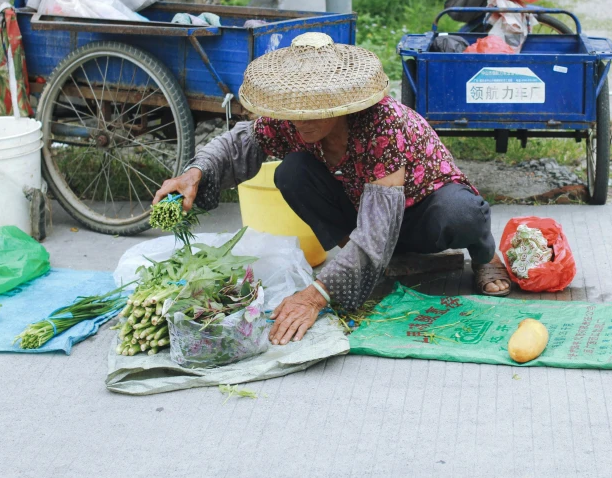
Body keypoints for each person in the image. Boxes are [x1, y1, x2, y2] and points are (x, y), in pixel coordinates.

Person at [153, 32, 511, 347]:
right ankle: (356, 268)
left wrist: (316, 296)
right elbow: (240, 144)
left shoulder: (383, 125)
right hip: (366, 214)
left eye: (315, 111)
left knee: (462, 214)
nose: (302, 123)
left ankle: (485, 255)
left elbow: (377, 229)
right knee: (292, 171)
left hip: (422, 213)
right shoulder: (293, 120)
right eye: (297, 112)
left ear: (340, 103)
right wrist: (195, 173)